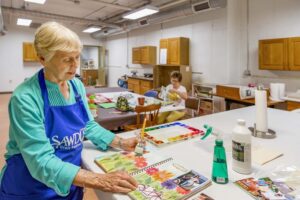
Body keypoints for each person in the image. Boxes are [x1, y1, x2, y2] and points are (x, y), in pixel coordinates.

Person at [0, 22, 138, 200]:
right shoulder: (25, 97)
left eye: (77, 57)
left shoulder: (76, 85)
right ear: (42, 59)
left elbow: (87, 125)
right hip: (31, 188)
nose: (75, 65)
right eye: (67, 59)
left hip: (70, 180)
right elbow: (40, 161)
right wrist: (99, 179)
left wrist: (121, 142)